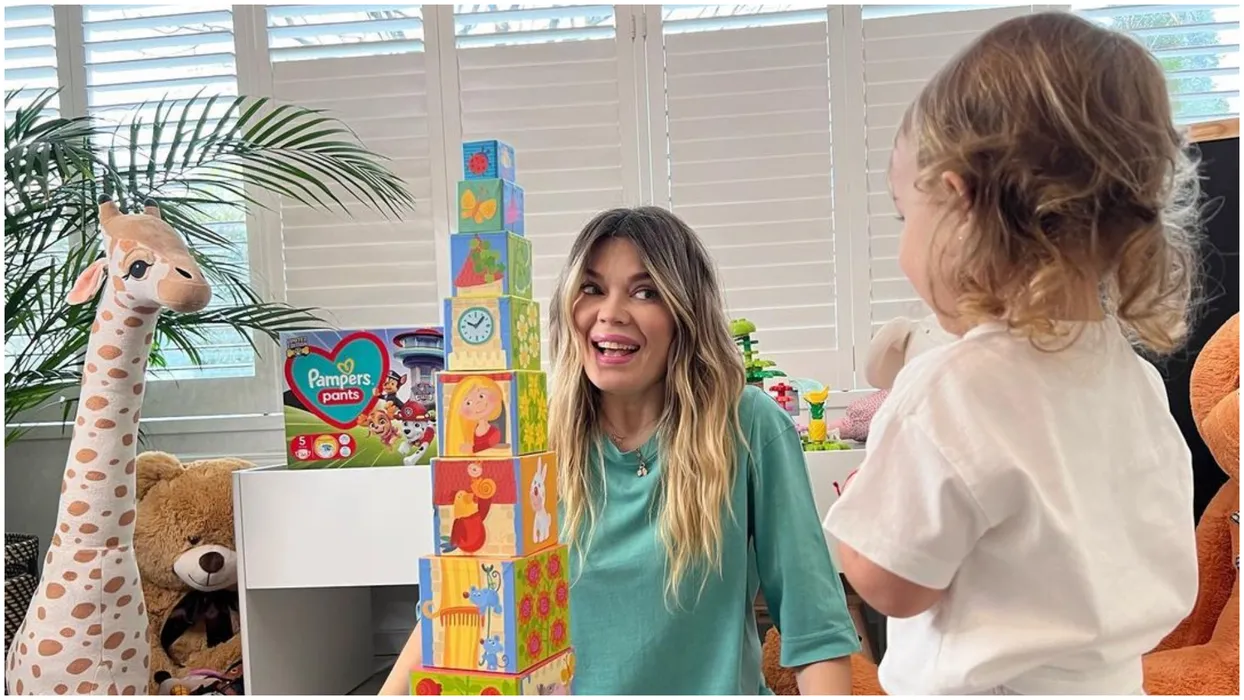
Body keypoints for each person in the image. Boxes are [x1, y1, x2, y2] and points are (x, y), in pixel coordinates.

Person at [823, 11, 1203, 696]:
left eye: (906, 216)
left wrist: (863, 519)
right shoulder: (1138, 385)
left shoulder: (951, 387)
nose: (904, 246)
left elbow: (895, 585)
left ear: (960, 205)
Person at [380, 207, 859, 695]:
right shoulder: (529, 433)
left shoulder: (747, 425)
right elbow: (463, 591)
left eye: (645, 292)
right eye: (592, 288)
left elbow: (815, 629)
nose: (610, 313)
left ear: (685, 314)